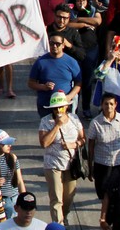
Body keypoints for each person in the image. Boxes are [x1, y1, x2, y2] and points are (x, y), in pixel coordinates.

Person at [38, 92, 84, 224]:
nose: (58, 110)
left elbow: (82, 139)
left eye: (61, 107)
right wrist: (57, 125)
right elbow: (44, 143)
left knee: (68, 196)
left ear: (66, 107)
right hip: (53, 165)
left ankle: (65, 214)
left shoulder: (74, 119)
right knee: (56, 198)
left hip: (71, 164)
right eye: (55, 108)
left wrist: (73, 144)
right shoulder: (45, 121)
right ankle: (58, 225)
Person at [86, 93, 120, 199]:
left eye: (111, 103)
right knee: (102, 191)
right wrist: (90, 165)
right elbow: (91, 145)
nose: (109, 106)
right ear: (101, 105)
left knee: (119, 191)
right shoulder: (95, 122)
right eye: (106, 104)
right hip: (102, 163)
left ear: (116, 105)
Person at [28, 34, 82, 118]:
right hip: (46, 105)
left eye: (58, 44)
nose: (54, 46)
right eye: (52, 43)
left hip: (64, 105)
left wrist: (69, 96)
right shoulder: (40, 62)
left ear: (63, 45)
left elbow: (78, 83)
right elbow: (31, 83)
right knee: (48, 130)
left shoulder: (71, 62)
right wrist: (43, 87)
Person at [0, 130, 25, 219]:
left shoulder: (13, 158)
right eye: (6, 143)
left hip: (14, 199)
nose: (9, 145)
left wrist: (24, 198)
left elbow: (19, 181)